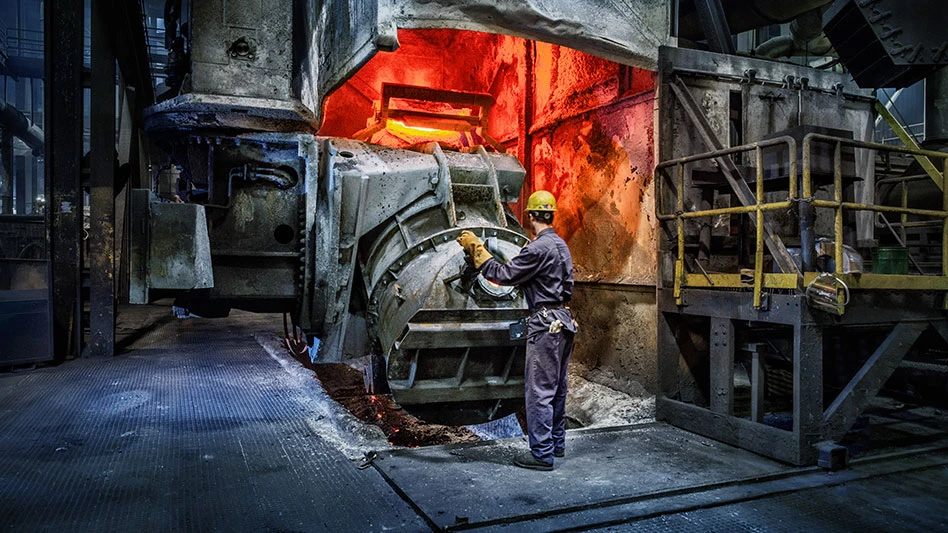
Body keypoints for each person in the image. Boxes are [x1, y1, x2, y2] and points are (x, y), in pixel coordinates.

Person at [456, 190, 577, 471]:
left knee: (539, 392)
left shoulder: (537, 248)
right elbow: (565, 287)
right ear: (551, 215)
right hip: (564, 321)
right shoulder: (561, 246)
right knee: (557, 389)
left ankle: (541, 455)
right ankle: (556, 445)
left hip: (545, 325)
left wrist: (478, 251)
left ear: (531, 216)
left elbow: (503, 275)